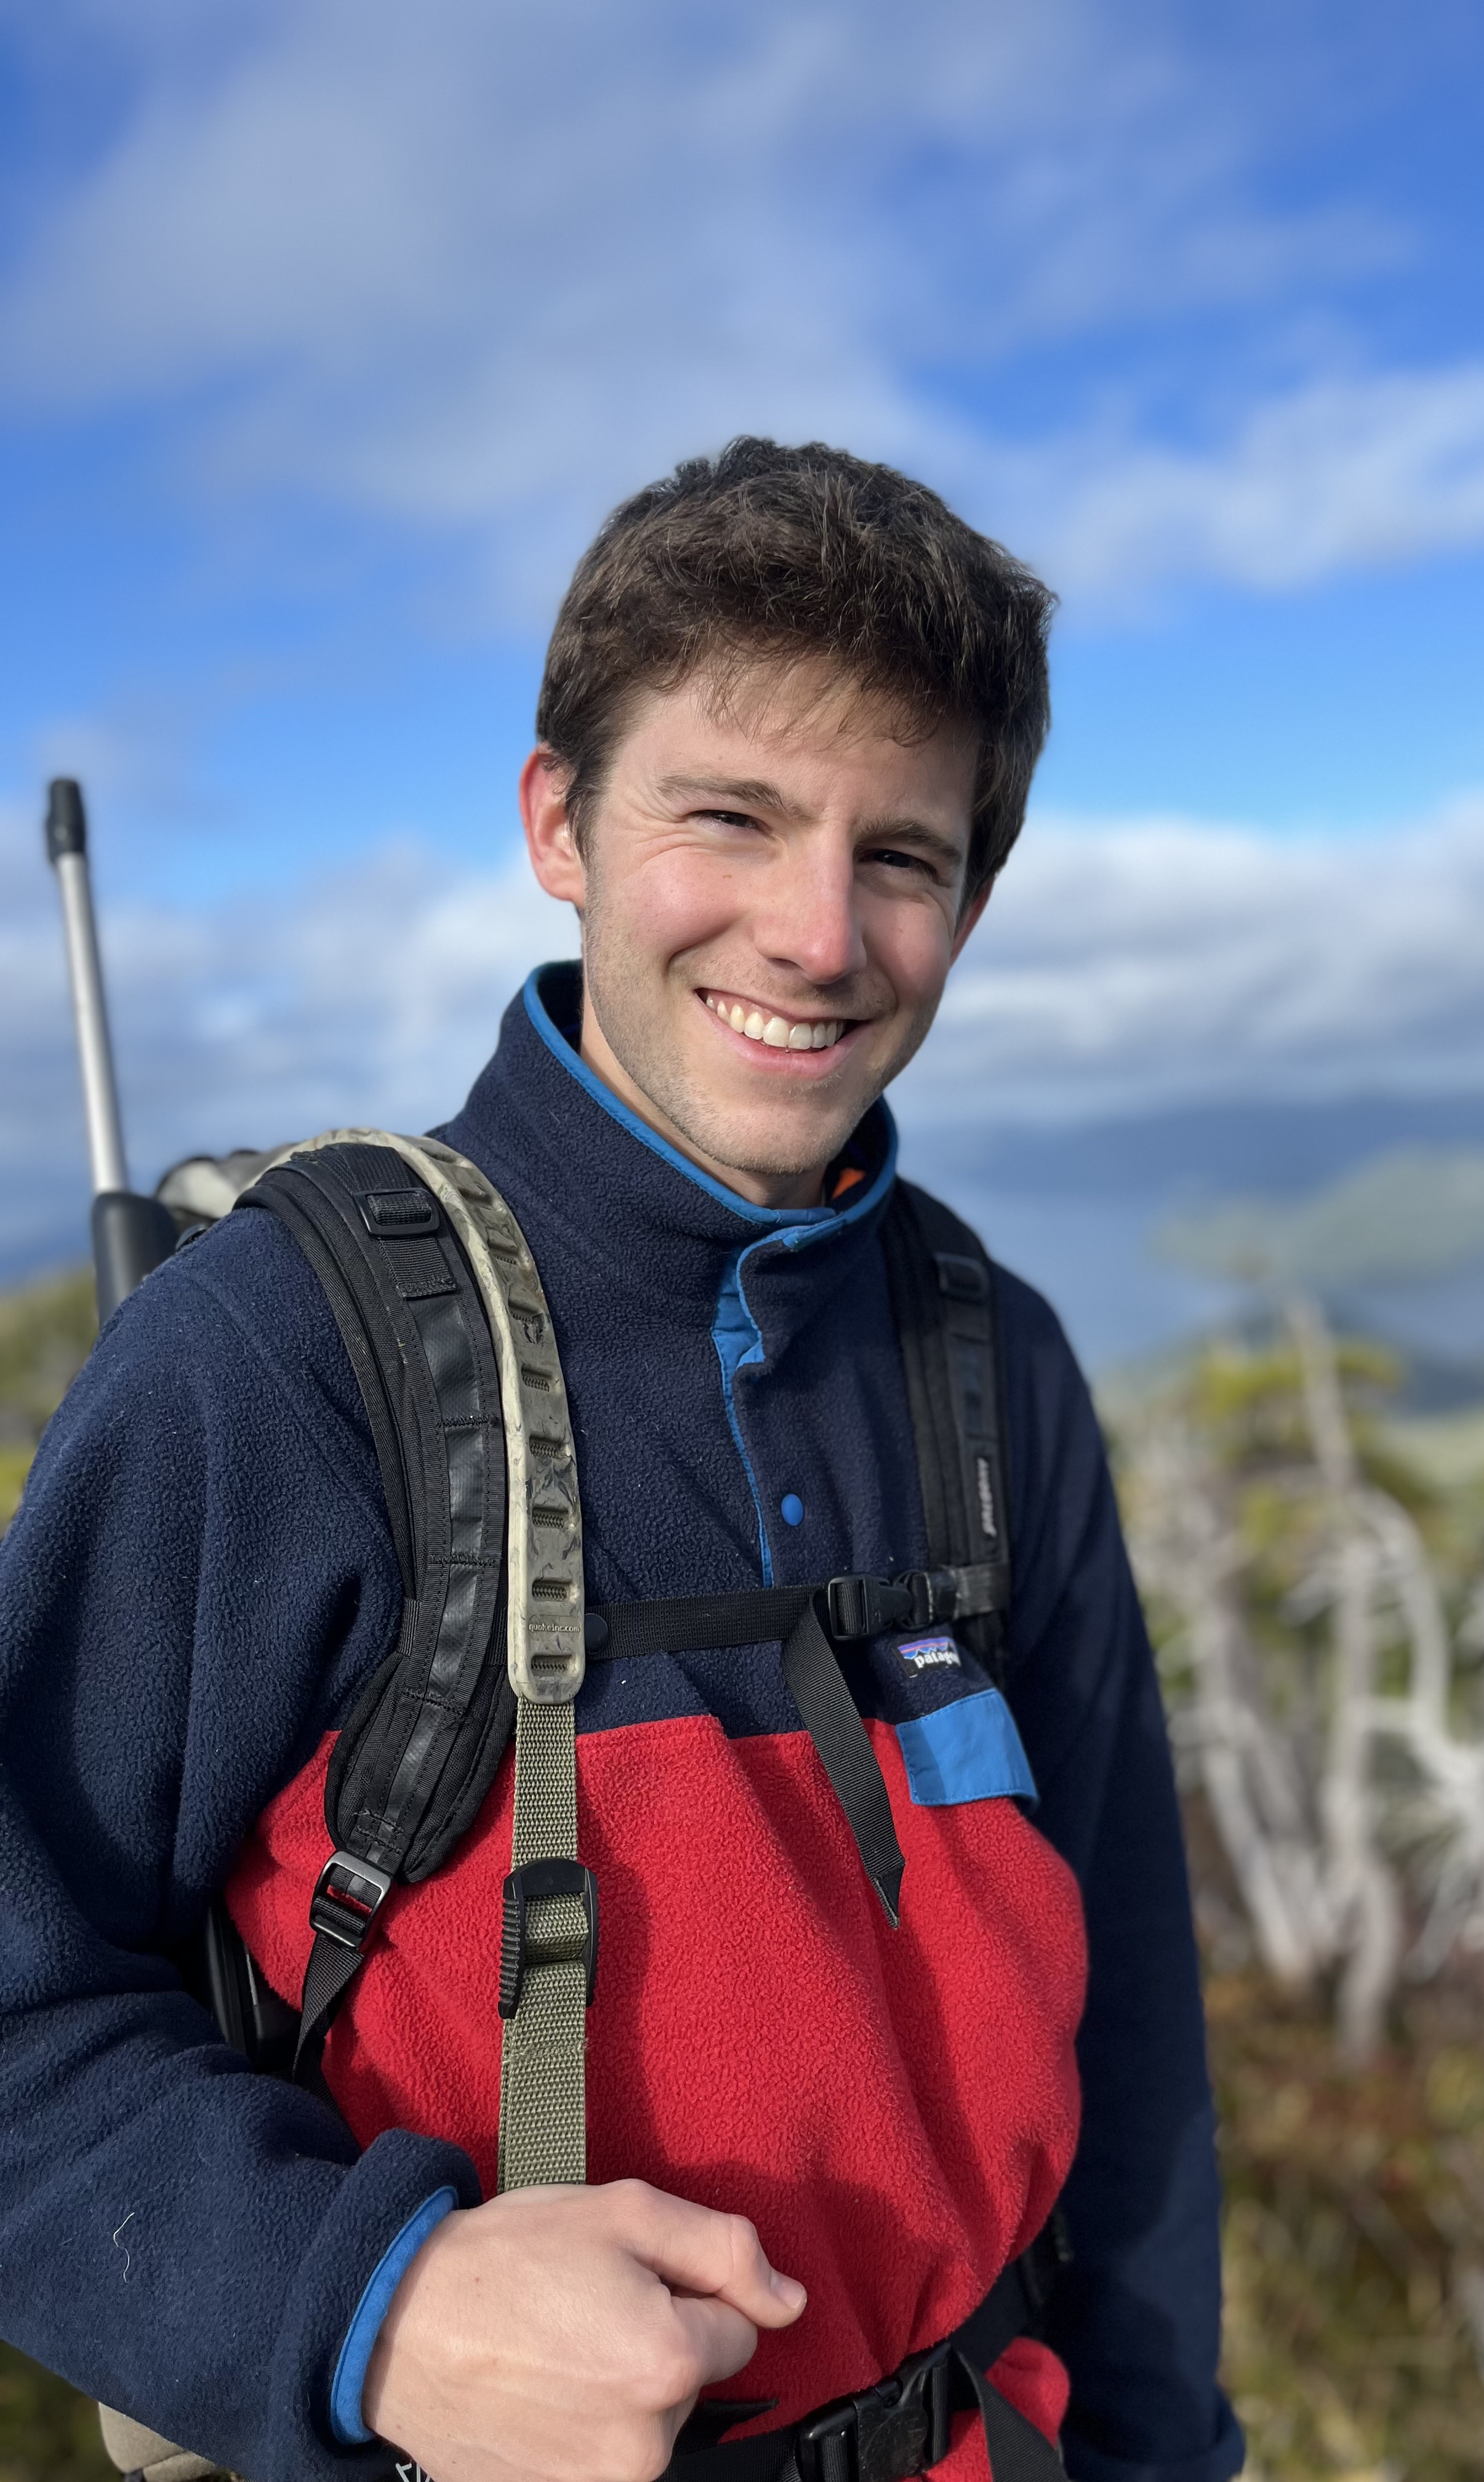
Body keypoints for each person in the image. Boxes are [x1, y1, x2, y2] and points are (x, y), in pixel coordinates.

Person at [0, 440, 1245, 2482]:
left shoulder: (986, 1360)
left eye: (905, 856)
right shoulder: (284, 1359)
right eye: (730, 818)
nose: (819, 932)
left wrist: (1164, 2451)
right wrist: (373, 2308)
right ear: (556, 821)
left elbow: (1134, 2053)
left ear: (976, 898)